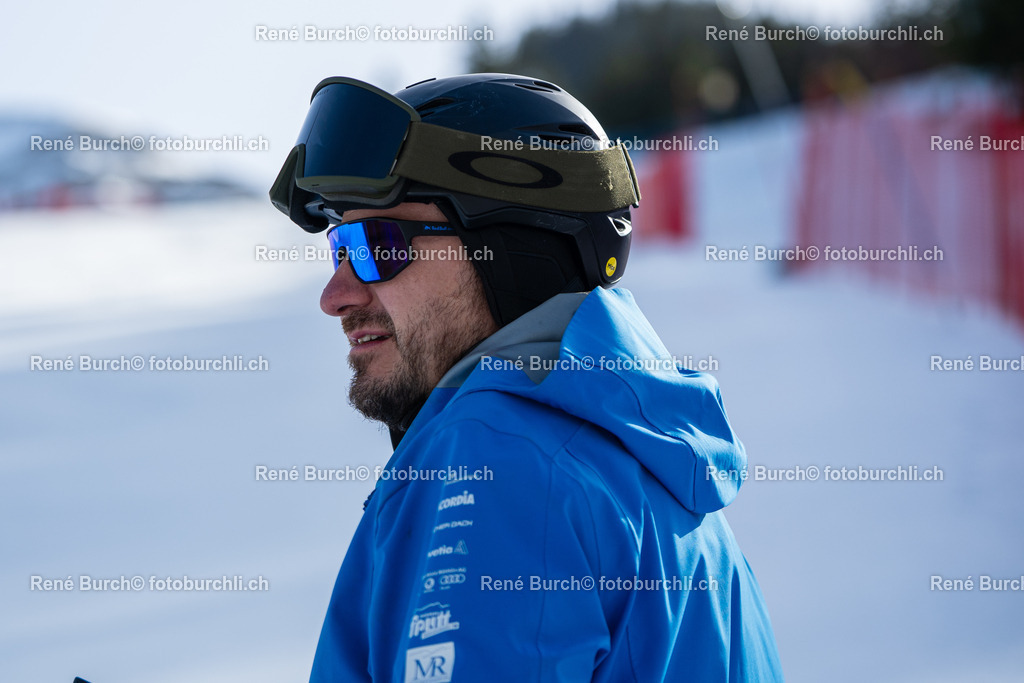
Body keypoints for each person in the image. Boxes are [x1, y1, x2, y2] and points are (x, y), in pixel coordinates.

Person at [271, 73, 784, 682]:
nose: (337, 295)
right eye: (339, 248)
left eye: (377, 244)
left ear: (511, 249)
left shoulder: (497, 461)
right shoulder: (642, 458)